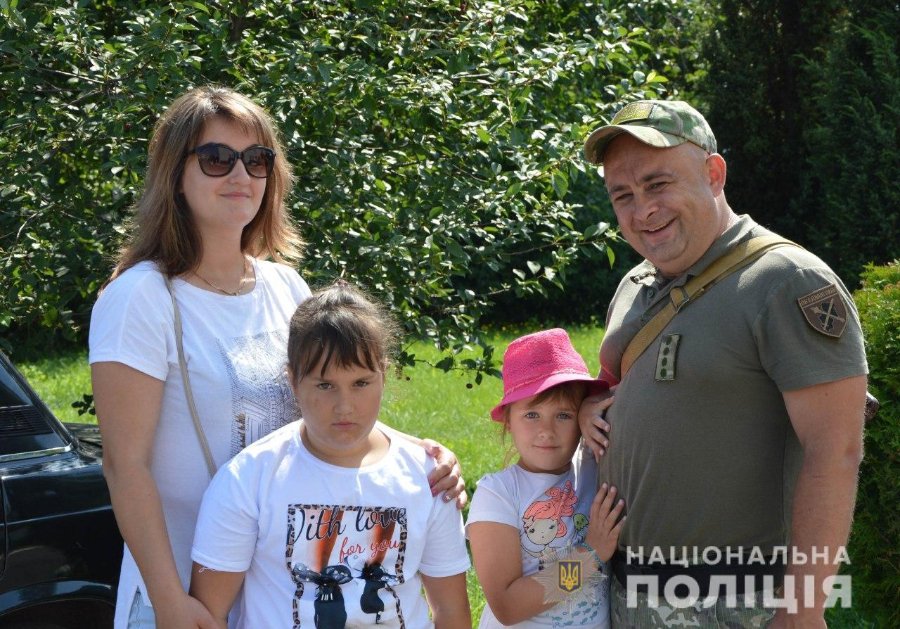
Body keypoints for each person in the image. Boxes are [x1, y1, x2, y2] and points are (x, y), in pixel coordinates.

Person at [89, 85, 465, 629]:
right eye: (216, 158)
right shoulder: (141, 298)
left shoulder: (285, 286)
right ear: (175, 174)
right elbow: (125, 465)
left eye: (257, 159)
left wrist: (422, 456)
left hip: (282, 592)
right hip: (183, 595)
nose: (240, 175)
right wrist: (170, 601)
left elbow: (328, 394)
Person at [579, 100, 868, 627]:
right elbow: (622, 395)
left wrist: (803, 610)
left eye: (658, 185)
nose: (642, 210)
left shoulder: (787, 280)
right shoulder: (636, 283)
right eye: (623, 195)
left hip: (733, 604)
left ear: (714, 174)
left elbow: (835, 451)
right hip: (626, 592)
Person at [189, 281, 472, 628]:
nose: (344, 406)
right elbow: (208, 615)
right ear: (293, 381)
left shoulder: (431, 476)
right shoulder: (247, 479)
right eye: (325, 385)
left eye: (361, 383)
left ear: (383, 374)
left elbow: (451, 612)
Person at [467, 328, 625, 629]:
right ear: (508, 420)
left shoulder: (593, 465)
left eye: (564, 415)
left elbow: (626, 389)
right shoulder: (498, 493)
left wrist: (590, 406)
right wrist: (589, 555)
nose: (547, 431)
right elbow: (508, 606)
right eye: (532, 415)